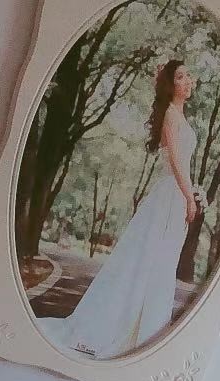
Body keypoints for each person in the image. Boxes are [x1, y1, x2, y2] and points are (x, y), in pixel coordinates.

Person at [39, 59, 200, 361]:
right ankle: (123, 328)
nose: (187, 80)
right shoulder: (169, 114)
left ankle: (147, 329)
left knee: (162, 263)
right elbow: (176, 161)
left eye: (188, 75)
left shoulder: (181, 116)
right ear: (170, 85)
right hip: (169, 196)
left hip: (176, 197)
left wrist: (189, 196)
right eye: (180, 76)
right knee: (149, 260)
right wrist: (189, 196)